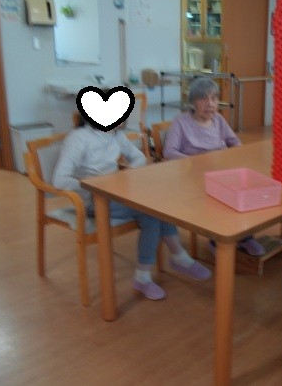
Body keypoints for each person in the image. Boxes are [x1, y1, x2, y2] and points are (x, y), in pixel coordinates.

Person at [52, 114, 211, 301]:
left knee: (159, 204)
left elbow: (139, 158)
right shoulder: (78, 138)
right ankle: (164, 266)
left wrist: (123, 177)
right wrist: (95, 185)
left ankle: (172, 261)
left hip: (117, 194)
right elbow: (59, 180)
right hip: (95, 201)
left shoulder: (115, 134)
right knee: (152, 213)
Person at [164, 77, 266, 256]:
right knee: (222, 198)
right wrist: (194, 163)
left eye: (214, 98)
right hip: (195, 177)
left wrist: (234, 155)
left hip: (223, 171)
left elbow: (234, 141)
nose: (210, 104)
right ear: (193, 102)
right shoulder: (181, 122)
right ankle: (217, 240)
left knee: (247, 190)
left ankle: (245, 236)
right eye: (203, 98)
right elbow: (169, 151)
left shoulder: (218, 119)